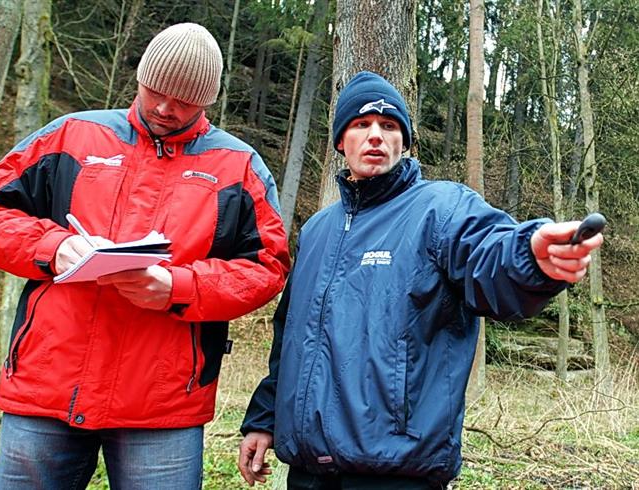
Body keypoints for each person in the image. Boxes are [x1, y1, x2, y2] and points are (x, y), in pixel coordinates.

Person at [238, 71, 604, 489]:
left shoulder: (441, 209)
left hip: (397, 471)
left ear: (404, 142)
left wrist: (529, 257)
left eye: (389, 126)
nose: (375, 135)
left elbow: (489, 256)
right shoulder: (319, 230)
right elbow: (292, 337)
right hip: (308, 473)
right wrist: (264, 419)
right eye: (361, 125)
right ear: (341, 140)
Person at [0, 23, 290, 489]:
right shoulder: (71, 135)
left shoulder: (238, 167)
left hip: (162, 402)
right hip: (47, 383)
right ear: (140, 79)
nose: (165, 108)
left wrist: (179, 287)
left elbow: (267, 267)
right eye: (155, 92)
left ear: (208, 99)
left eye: (184, 101)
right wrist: (52, 248)